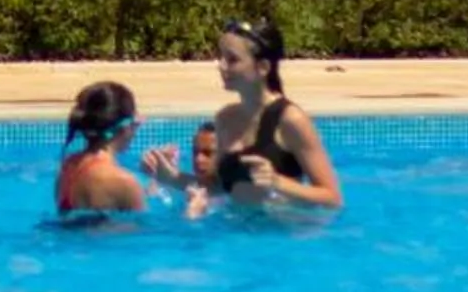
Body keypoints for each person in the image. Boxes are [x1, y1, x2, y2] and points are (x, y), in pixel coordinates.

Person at [147, 15, 343, 209]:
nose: (221, 66)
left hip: (284, 227)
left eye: (232, 59)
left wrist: (278, 182)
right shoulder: (225, 119)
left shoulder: (290, 120)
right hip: (235, 226)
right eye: (221, 57)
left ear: (263, 67)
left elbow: (332, 198)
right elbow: (217, 188)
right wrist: (170, 177)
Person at [54, 80, 148, 215]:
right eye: (136, 123)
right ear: (125, 128)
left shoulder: (67, 168)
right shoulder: (124, 181)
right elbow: (142, 226)